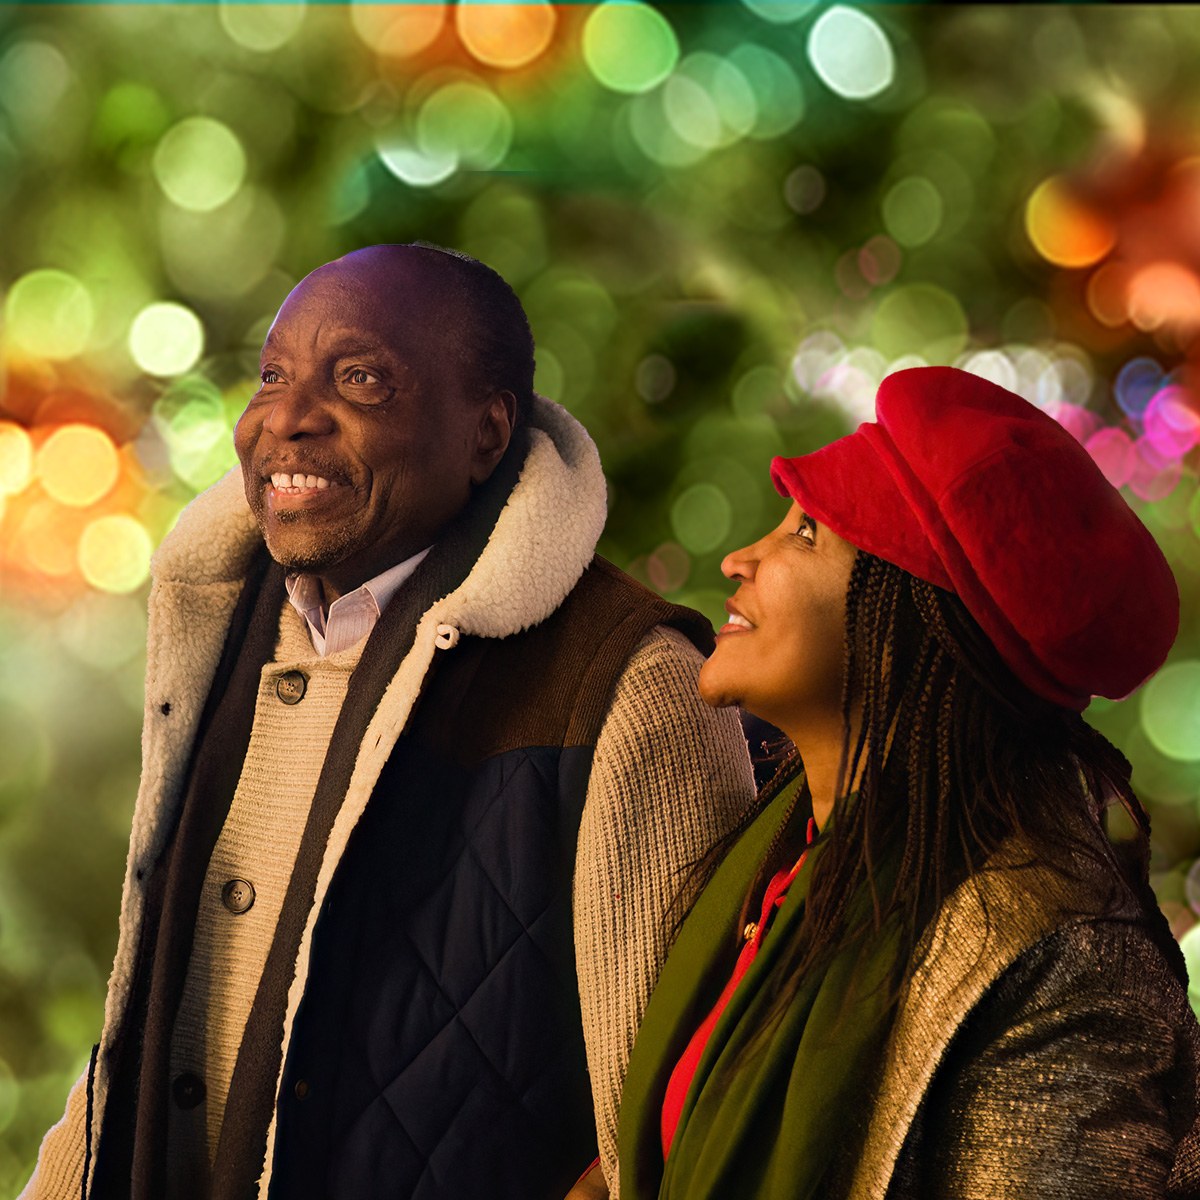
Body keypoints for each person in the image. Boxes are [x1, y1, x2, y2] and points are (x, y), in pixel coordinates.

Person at [22, 244, 755, 1200]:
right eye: (273, 375)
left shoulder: (626, 681)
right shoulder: (221, 627)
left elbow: (663, 1136)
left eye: (360, 379)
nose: (284, 418)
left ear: (486, 435)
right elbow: (150, 1022)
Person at [609, 366, 1200, 1200]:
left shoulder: (1063, 964)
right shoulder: (784, 861)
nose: (741, 557)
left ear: (910, 624)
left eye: (806, 533)